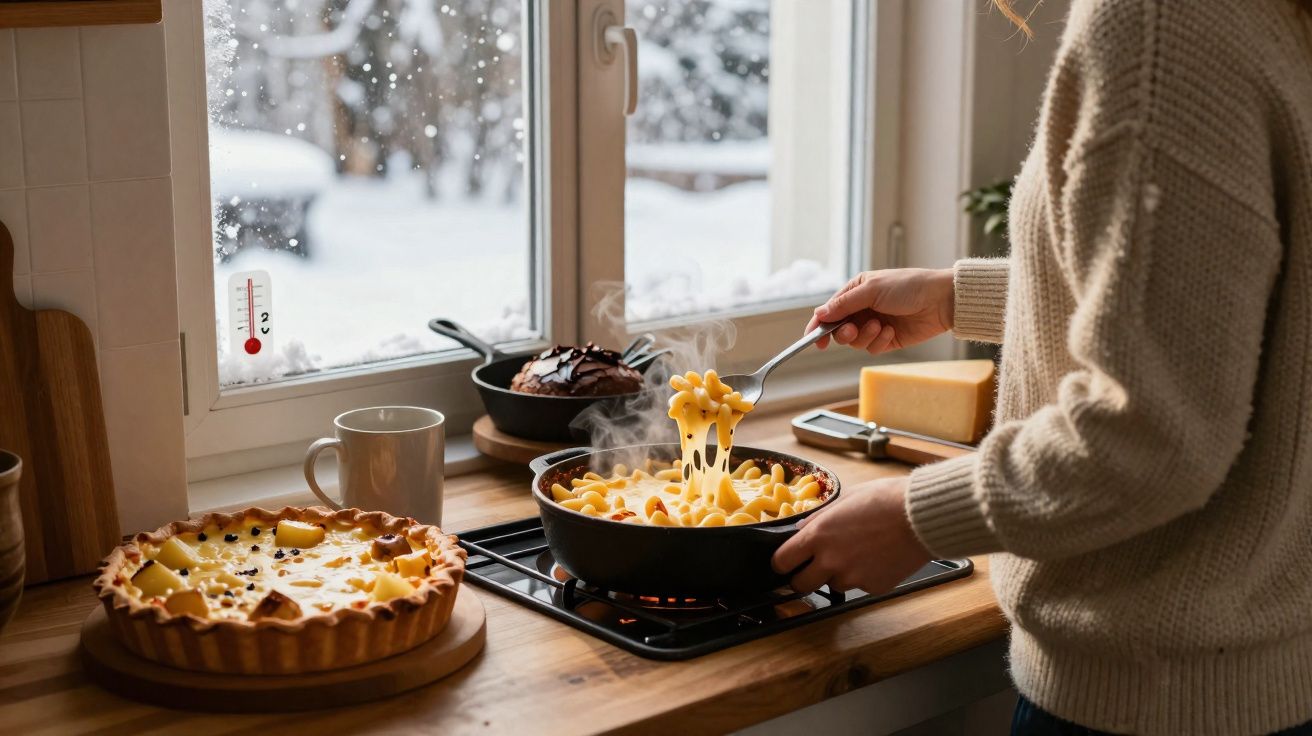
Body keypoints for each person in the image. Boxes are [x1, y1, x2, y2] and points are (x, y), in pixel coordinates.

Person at [771, 1, 1312, 734]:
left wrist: (912, 518)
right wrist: (955, 298)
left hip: (1148, 701)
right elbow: (1230, 300)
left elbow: (1151, 437)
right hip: (1256, 666)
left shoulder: (1160, 27)